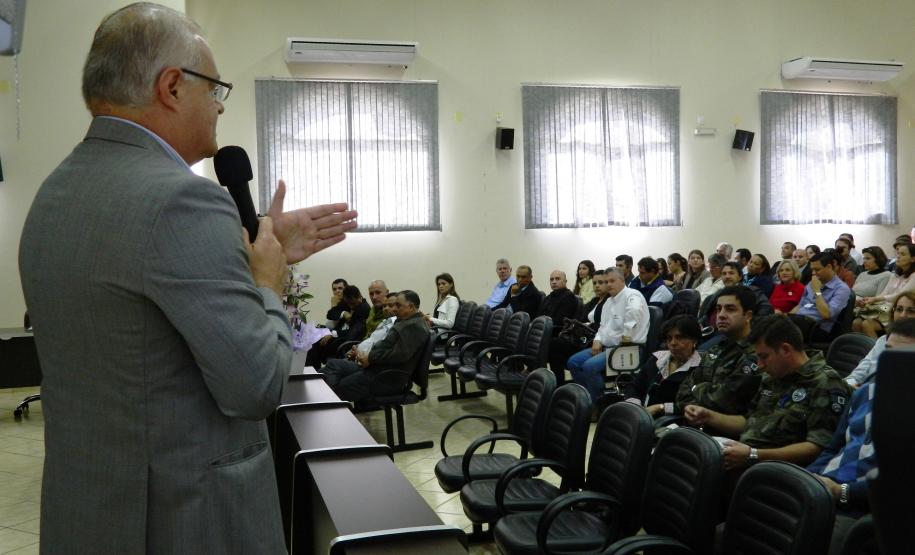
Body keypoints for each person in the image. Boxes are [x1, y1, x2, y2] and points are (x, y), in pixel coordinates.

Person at [17, 4, 357, 552]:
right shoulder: (183, 199)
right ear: (172, 86)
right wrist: (267, 281)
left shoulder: (57, 193)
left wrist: (256, 242)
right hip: (183, 520)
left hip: (90, 512)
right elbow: (256, 386)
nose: (219, 105)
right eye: (215, 87)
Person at [684, 315, 851, 472]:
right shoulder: (772, 376)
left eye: (764, 357)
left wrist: (754, 455)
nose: (759, 365)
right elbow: (749, 422)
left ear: (786, 350)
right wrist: (708, 416)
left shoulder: (825, 383)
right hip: (745, 459)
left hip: (778, 474)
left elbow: (816, 447)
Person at [809, 318, 915, 555]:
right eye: (887, 353)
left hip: (861, 507)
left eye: (902, 356)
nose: (887, 365)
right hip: (823, 488)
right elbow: (832, 447)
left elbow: (901, 485)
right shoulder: (866, 390)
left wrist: (842, 491)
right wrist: (808, 477)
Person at [321, 290, 429, 404]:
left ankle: (325, 405)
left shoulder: (413, 326)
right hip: (377, 369)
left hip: (386, 378)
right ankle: (321, 398)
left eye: (398, 305)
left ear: (411, 307)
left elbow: (398, 355)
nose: (395, 309)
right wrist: (369, 357)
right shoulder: (405, 320)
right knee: (334, 365)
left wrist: (371, 358)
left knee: (338, 387)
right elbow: (386, 346)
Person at [676, 286, 761, 416]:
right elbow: (685, 387)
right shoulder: (717, 347)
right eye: (718, 309)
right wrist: (690, 404)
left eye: (730, 309)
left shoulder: (755, 353)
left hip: (723, 431)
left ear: (748, 315)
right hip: (692, 419)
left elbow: (725, 401)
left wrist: (695, 390)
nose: (721, 315)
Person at [567, 269, 649, 402]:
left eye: (612, 281)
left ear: (622, 280)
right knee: (573, 362)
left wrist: (625, 337)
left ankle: (598, 403)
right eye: (606, 282)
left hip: (628, 349)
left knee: (589, 366)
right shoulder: (609, 301)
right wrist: (598, 340)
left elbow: (633, 315)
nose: (608, 284)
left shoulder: (633, 295)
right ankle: (587, 398)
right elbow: (603, 326)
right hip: (607, 347)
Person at [623, 315, 703, 418]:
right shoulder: (657, 358)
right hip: (642, 416)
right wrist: (636, 406)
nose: (673, 343)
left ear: (694, 340)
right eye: (669, 338)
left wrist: (660, 408)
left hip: (672, 423)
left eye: (679, 337)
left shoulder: (700, 368)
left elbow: (695, 405)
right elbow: (635, 386)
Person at [548, 270, 609, 384]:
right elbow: (580, 319)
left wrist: (587, 325)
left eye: (601, 283)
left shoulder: (608, 302)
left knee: (555, 345)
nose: (597, 286)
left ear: (608, 283)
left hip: (593, 340)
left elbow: (602, 325)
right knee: (555, 343)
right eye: (595, 283)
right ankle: (558, 383)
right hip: (583, 337)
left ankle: (561, 384)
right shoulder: (594, 301)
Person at [846, 291, 915, 387]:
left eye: (911, 311)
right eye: (899, 309)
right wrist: (846, 386)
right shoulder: (883, 340)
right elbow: (859, 373)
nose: (902, 315)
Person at [854, 243, 915, 338]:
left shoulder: (914, 276)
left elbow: (899, 296)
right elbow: (885, 293)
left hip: (900, 311)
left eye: (902, 254)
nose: (898, 257)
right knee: (856, 322)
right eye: (898, 253)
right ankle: (861, 350)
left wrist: (875, 299)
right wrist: (872, 299)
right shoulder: (896, 274)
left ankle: (878, 352)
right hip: (886, 308)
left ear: (913, 258)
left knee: (867, 324)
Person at [791, 252, 853, 339]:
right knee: (776, 322)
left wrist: (817, 291)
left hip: (818, 328)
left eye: (817, 269)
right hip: (800, 321)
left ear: (829, 267)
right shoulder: (811, 283)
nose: (813, 273)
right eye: (812, 269)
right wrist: (787, 317)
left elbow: (826, 314)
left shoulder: (842, 289)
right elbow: (800, 305)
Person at [307, 286, 370, 368]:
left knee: (316, 342)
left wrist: (332, 334)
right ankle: (311, 371)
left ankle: (313, 371)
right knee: (313, 336)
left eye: (353, 303)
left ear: (359, 296)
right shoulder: (347, 302)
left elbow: (354, 333)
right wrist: (343, 313)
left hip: (346, 341)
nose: (350, 306)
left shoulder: (364, 308)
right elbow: (330, 314)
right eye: (348, 304)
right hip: (338, 335)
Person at [539, 270, 581, 335]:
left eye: (557, 279)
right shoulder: (548, 297)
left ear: (565, 281)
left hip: (556, 333)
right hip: (542, 329)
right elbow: (538, 315)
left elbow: (560, 321)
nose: (554, 282)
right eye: (551, 279)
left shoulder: (569, 297)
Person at [851, 246, 890, 311]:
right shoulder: (862, 274)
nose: (864, 261)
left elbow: (879, 301)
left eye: (868, 258)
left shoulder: (886, 275)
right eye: (864, 258)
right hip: (852, 306)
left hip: (867, 310)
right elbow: (852, 293)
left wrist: (861, 304)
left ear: (878, 259)